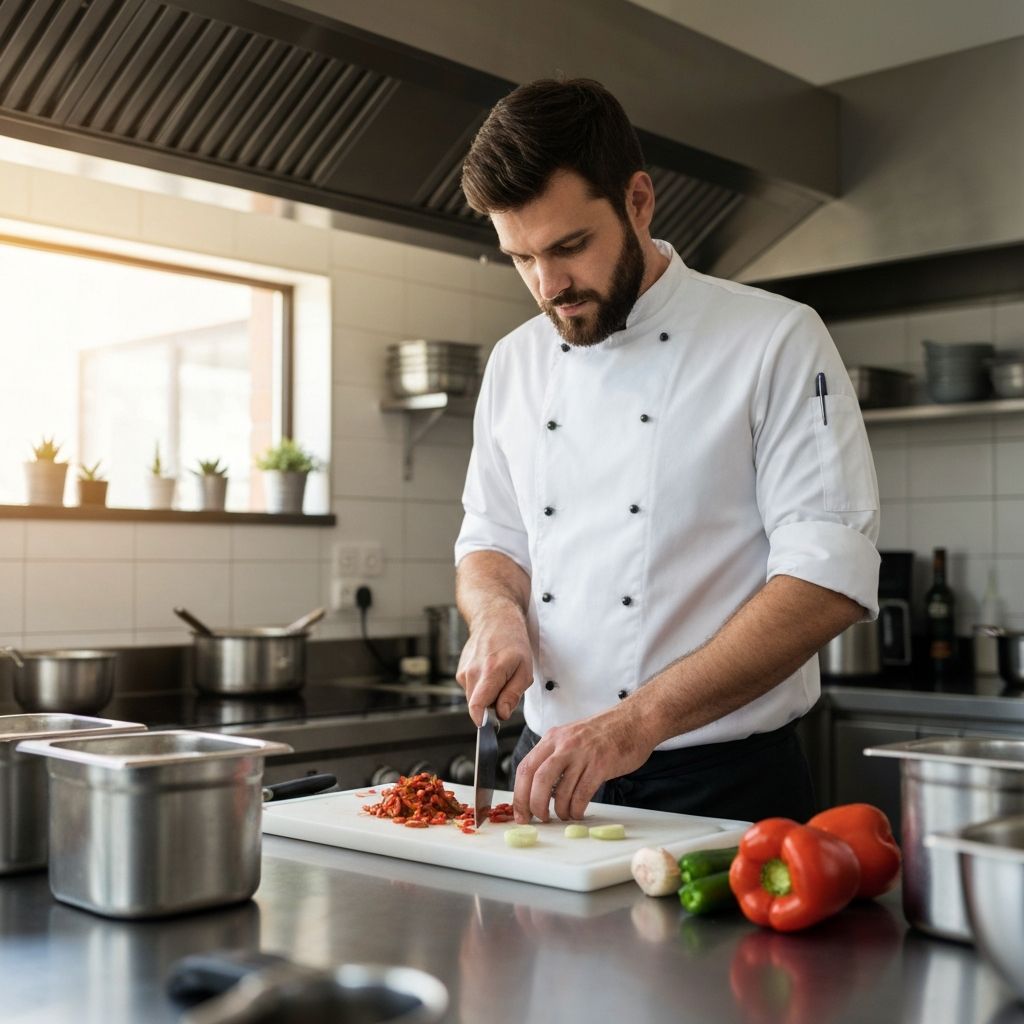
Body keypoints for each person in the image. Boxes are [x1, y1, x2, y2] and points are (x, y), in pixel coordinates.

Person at [453, 78, 880, 826]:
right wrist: (495, 614)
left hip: (725, 787)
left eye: (570, 246)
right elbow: (491, 540)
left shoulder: (774, 338)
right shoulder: (515, 363)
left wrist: (636, 723)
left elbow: (825, 578)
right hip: (548, 777)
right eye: (520, 258)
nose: (549, 286)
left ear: (639, 201)